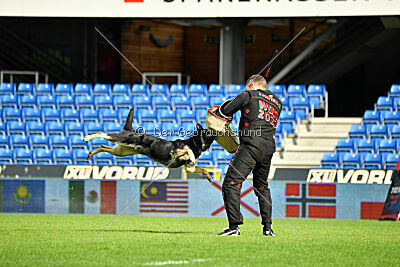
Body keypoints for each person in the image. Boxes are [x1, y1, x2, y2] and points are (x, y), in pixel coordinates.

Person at [215, 74, 282, 236]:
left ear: (251, 85)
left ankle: (234, 227)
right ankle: (267, 228)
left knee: (231, 183)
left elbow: (224, 111)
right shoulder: (278, 103)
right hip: (268, 148)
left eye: (246, 87)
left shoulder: (247, 95)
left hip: (251, 145)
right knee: (262, 187)